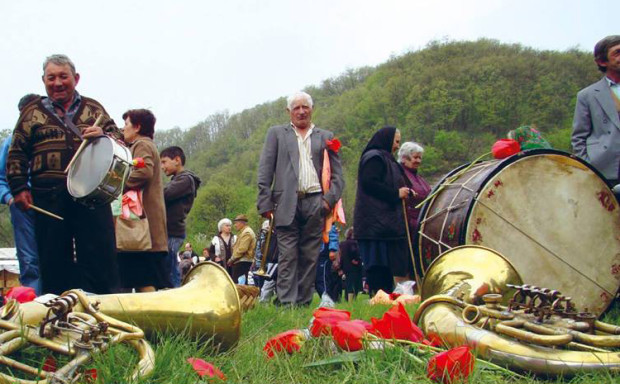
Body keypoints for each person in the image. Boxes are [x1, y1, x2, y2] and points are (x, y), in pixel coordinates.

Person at [7, 54, 120, 295]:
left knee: (100, 257)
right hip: (48, 198)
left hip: (92, 196)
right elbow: (16, 153)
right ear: (44, 81)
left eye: (63, 77)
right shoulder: (31, 113)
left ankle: (106, 316)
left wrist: (103, 134)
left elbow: (119, 141)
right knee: (53, 260)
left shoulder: (94, 108)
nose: (57, 83)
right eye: (51, 78)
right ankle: (59, 318)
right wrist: (19, 189)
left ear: (76, 79)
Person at [257, 91, 344, 306]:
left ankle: (303, 303)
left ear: (312, 109)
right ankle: (287, 303)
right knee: (287, 256)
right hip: (285, 203)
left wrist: (328, 201)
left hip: (317, 202)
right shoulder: (276, 134)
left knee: (310, 257)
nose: (301, 111)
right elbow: (265, 169)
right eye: (296, 107)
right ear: (289, 111)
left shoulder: (326, 136)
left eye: (305, 107)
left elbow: (337, 175)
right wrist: (264, 202)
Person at [353, 126, 411, 296]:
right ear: (387, 139)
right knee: (377, 266)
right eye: (396, 141)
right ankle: (378, 298)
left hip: (383, 225)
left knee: (385, 266)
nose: (397, 146)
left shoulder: (386, 159)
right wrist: (395, 194)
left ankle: (385, 298)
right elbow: (370, 183)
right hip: (374, 224)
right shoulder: (374, 158)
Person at [116, 109, 168, 292]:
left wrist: (117, 186)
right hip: (147, 232)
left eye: (126, 124)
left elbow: (143, 171)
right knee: (143, 279)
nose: (123, 129)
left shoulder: (141, 145)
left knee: (145, 281)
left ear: (137, 127)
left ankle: (152, 320)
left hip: (144, 233)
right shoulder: (146, 145)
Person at [0, 94, 41, 294]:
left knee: (56, 254)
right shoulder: (10, 142)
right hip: (22, 208)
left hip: (51, 203)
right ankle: (33, 304)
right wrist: (9, 198)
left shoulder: (52, 138)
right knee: (28, 258)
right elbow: (0, 178)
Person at [572, 35, 620, 187]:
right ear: (602, 61)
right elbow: (579, 137)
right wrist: (588, 166)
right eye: (617, 52)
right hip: (604, 170)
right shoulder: (587, 95)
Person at [161, 146, 201, 288]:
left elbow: (165, 194)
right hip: (171, 230)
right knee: (167, 267)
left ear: (177, 160)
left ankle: (175, 296)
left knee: (170, 269)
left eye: (164, 162)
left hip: (173, 230)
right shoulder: (178, 179)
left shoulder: (186, 180)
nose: (162, 167)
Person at [398, 142, 431, 234]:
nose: (418, 161)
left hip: (423, 223)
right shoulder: (399, 175)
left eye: (420, 158)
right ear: (404, 158)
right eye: (415, 157)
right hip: (409, 227)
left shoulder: (419, 178)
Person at [315, 224, 342, 304]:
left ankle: (327, 297)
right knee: (317, 279)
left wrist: (332, 249)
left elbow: (333, 235)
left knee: (323, 277)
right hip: (316, 253)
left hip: (324, 253)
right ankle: (325, 297)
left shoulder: (328, 222)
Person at [229, 214, 257, 284]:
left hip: (243, 262)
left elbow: (242, 249)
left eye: (236, 223)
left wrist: (232, 259)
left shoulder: (247, 232)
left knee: (239, 285)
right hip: (242, 261)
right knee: (240, 283)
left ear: (242, 223)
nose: (235, 225)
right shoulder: (244, 232)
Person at [339, 227, 362, 302]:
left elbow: (341, 256)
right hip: (354, 267)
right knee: (354, 284)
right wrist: (356, 259)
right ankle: (351, 301)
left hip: (345, 267)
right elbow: (354, 252)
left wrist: (340, 267)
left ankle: (347, 300)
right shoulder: (353, 243)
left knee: (348, 284)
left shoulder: (342, 244)